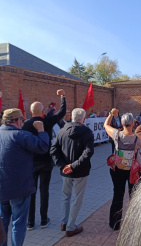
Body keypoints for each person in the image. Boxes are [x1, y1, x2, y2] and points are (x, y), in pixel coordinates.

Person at [0, 108, 49, 246]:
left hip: (2, 188)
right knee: (19, 223)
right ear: (17, 121)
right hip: (19, 188)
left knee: (3, 222)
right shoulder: (21, 135)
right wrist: (41, 130)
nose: (23, 121)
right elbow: (43, 147)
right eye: (22, 119)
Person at [22, 89, 66, 231]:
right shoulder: (46, 121)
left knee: (31, 192)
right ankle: (43, 220)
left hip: (31, 162)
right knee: (44, 190)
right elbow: (62, 112)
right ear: (42, 112)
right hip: (46, 161)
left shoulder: (26, 124)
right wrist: (62, 97)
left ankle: (29, 223)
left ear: (30, 111)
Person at [50, 108, 94, 237]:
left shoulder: (62, 131)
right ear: (83, 119)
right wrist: (70, 166)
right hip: (79, 171)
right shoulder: (87, 132)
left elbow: (53, 150)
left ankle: (64, 223)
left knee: (66, 197)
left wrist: (64, 166)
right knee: (76, 198)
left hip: (67, 171)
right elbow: (88, 152)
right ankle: (69, 226)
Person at [104, 110, 141, 231]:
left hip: (118, 169)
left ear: (122, 124)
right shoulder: (137, 137)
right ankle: (134, 225)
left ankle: (115, 224)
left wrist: (111, 114)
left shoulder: (116, 134)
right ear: (133, 123)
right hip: (134, 170)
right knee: (134, 196)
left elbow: (105, 125)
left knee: (118, 195)